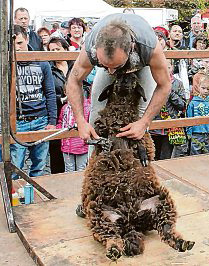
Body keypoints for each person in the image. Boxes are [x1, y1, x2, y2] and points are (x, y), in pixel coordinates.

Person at [65, 13, 171, 143]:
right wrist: (80, 121)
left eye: (115, 66)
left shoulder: (149, 48)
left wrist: (145, 122)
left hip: (141, 64)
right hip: (113, 58)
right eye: (105, 65)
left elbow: (164, 85)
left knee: (142, 112)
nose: (111, 72)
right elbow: (73, 81)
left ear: (131, 48)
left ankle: (139, 155)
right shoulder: (90, 47)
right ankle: (95, 156)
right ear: (96, 50)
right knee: (96, 111)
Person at [11, 25, 57, 179]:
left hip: (40, 119)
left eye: (19, 43)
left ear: (27, 39)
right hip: (17, 121)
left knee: (39, 167)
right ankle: (15, 201)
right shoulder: (6, 63)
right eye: (13, 44)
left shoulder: (41, 61)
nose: (16, 48)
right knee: (14, 168)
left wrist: (52, 120)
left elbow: (50, 92)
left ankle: (36, 198)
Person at [47, 37, 74, 174]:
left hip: (75, 112)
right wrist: (62, 99)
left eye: (58, 49)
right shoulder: (49, 69)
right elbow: (47, 92)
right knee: (56, 149)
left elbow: (86, 85)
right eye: (52, 50)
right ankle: (57, 176)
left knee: (76, 146)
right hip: (57, 112)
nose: (55, 52)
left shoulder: (75, 65)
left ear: (65, 49)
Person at [149, 59, 186, 160]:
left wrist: (170, 92)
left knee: (166, 157)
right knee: (152, 156)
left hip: (169, 128)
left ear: (172, 68)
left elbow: (182, 105)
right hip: (153, 126)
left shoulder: (178, 83)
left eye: (168, 67)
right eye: (163, 66)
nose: (165, 70)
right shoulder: (151, 82)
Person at [186, 75, 209, 155]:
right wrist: (189, 134)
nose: (205, 91)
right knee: (195, 156)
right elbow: (188, 120)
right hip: (196, 134)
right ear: (198, 87)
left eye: (208, 89)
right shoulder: (193, 103)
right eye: (203, 88)